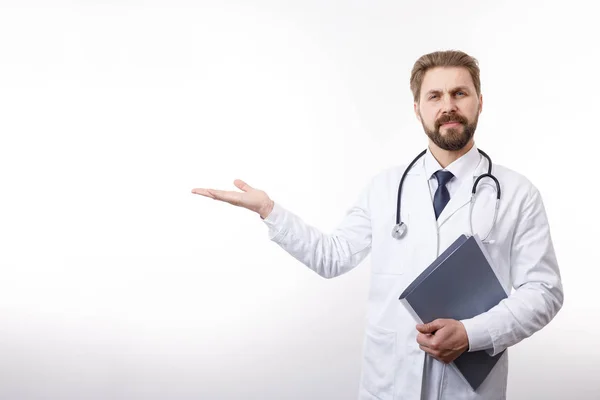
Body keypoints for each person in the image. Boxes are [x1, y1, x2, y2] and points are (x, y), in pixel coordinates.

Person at [192, 50, 564, 400]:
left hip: (467, 386)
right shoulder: (385, 188)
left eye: (460, 93)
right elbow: (332, 257)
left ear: (479, 102)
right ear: (417, 109)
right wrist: (270, 210)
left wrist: (471, 334)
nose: (448, 106)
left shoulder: (518, 194)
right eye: (434, 96)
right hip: (389, 382)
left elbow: (544, 292)